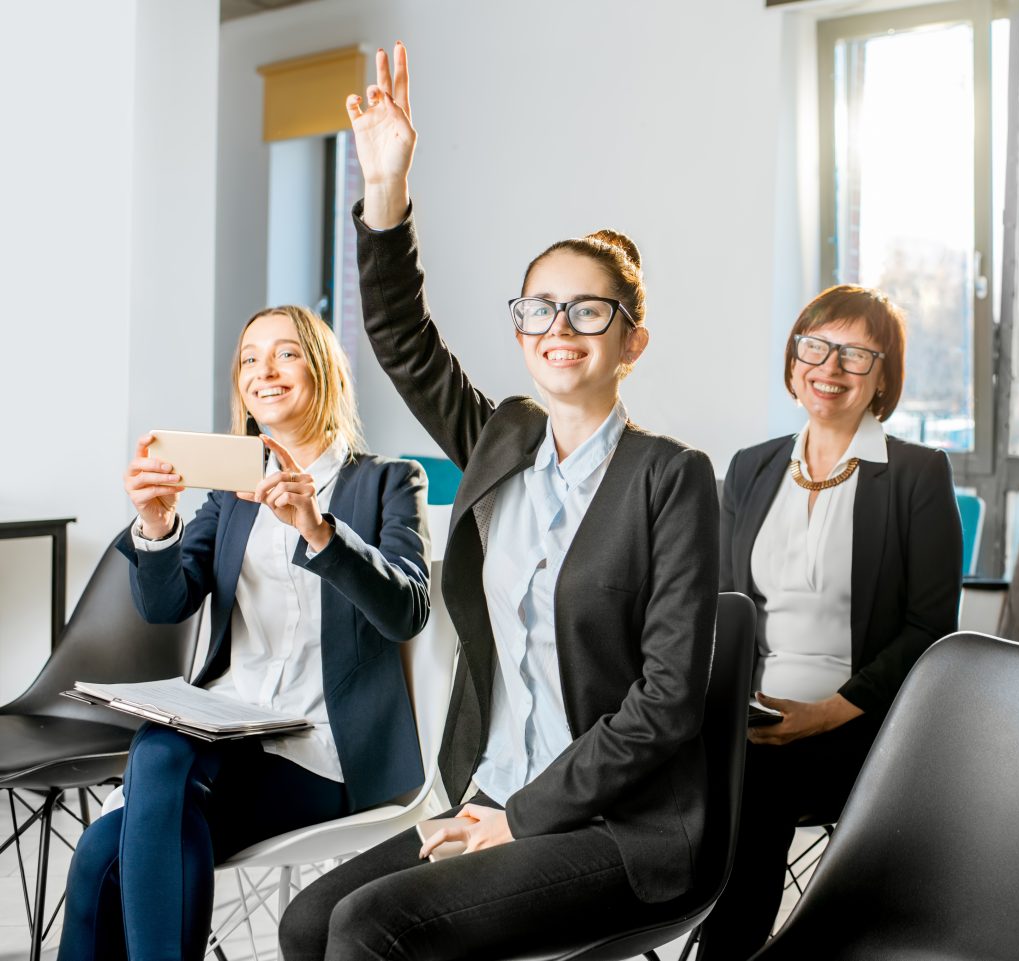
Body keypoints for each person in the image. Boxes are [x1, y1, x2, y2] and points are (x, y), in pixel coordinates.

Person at [277, 42, 719, 960]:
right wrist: (387, 187)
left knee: (371, 929)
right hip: (487, 790)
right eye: (540, 308)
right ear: (520, 327)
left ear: (631, 341)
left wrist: (521, 817)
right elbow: (400, 338)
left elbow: (668, 700)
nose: (560, 329)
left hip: (611, 825)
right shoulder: (501, 442)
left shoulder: (671, 477)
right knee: (307, 922)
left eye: (589, 310)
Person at [59, 305, 430, 961]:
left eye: (285, 353)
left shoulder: (388, 482)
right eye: (249, 358)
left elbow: (407, 609)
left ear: (323, 370)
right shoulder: (232, 492)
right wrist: (154, 525)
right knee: (99, 848)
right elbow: (166, 603)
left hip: (322, 750)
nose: (263, 370)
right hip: (224, 736)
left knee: (151, 768)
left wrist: (320, 529)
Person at [704, 285, 963, 959]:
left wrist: (822, 713)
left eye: (855, 354)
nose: (830, 367)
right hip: (749, 714)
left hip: (862, 723)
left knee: (757, 788)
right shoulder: (751, 467)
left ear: (884, 377)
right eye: (814, 347)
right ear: (794, 364)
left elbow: (930, 628)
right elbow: (728, 609)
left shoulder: (917, 474)